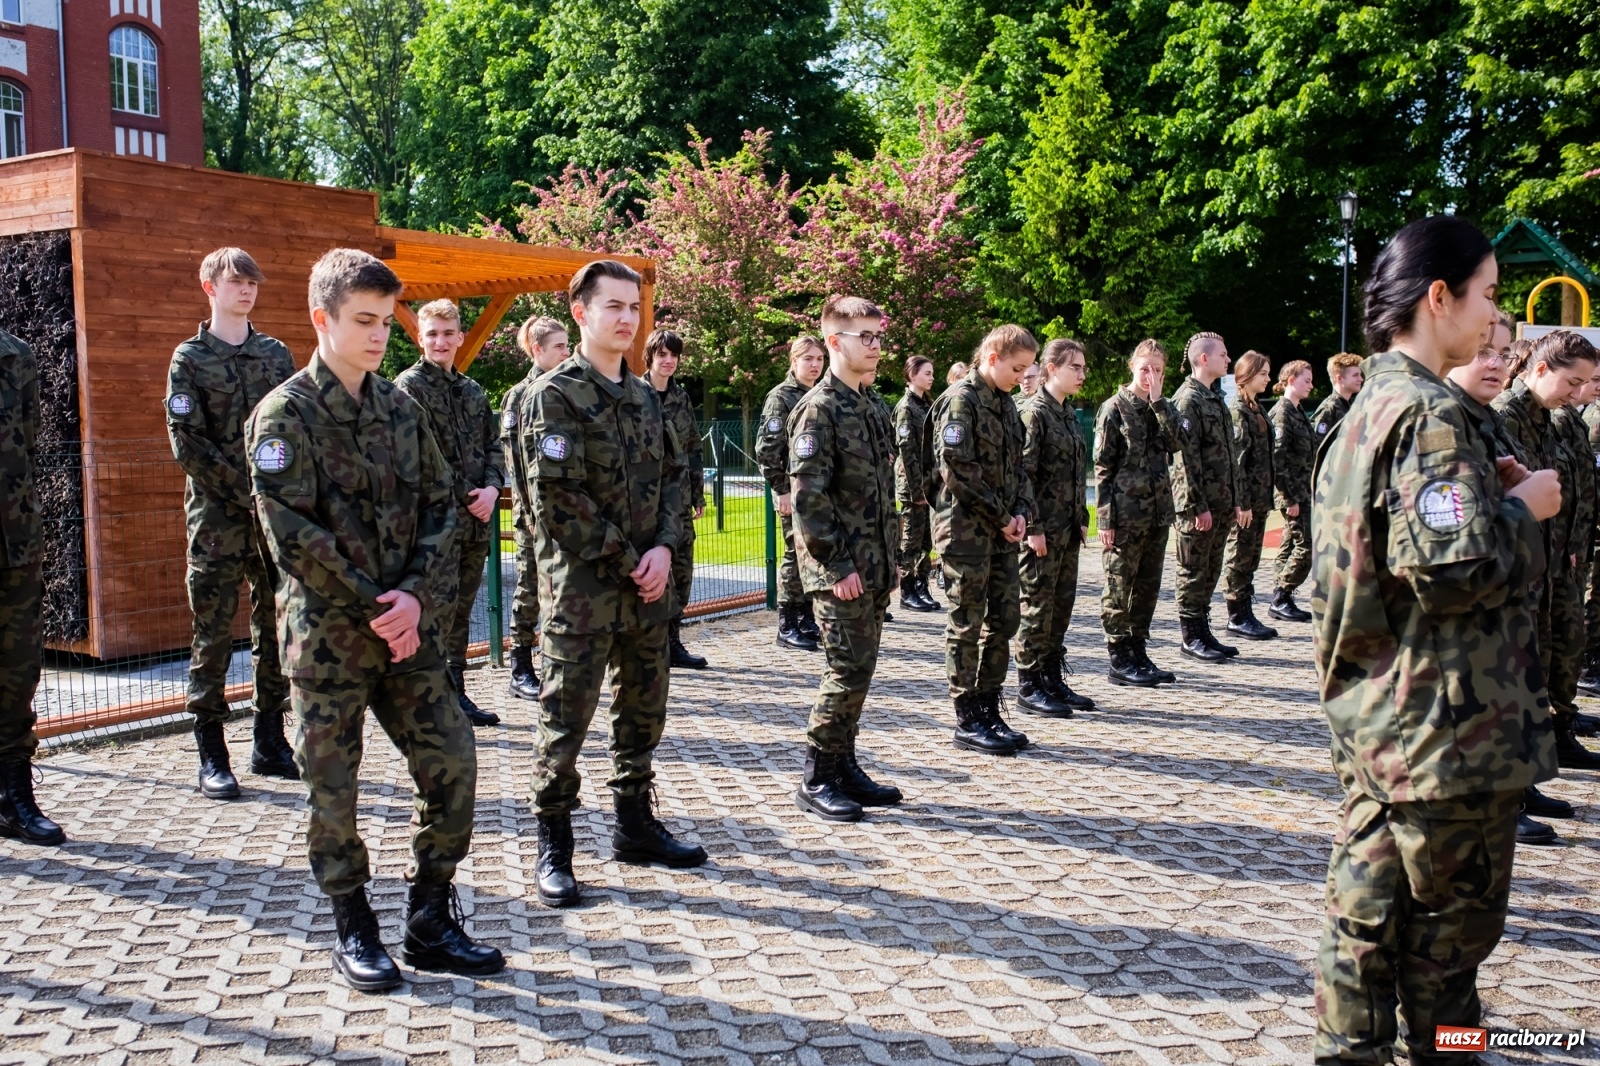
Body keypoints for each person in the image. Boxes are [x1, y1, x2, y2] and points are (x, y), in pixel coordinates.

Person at [1310, 215, 1559, 1065]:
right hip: (1445, 736)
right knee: (1446, 959)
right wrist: (1527, 512)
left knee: (1369, 923)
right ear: (1439, 297)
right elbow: (1455, 574)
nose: (1496, 321)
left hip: (1390, 721)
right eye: (1487, 297)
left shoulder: (1372, 407)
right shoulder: (1428, 417)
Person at [248, 248, 501, 991]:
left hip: (408, 632)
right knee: (334, 788)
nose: (377, 336)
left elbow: (440, 503)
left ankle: (428, 917)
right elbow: (292, 536)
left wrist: (415, 596)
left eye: (385, 323)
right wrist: (377, 602)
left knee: (454, 766)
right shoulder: (284, 415)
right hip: (329, 641)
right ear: (320, 318)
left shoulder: (401, 408)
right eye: (362, 321)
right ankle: (354, 925)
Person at [519, 259, 705, 910]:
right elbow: (556, 499)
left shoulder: (647, 399)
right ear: (581, 313)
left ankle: (634, 825)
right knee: (565, 719)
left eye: (634, 307)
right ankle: (555, 845)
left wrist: (663, 549)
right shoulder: (555, 396)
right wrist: (633, 557)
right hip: (584, 590)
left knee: (642, 712)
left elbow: (676, 485)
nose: (627, 319)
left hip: (648, 589)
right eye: (613, 307)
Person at [165, 247, 297, 799]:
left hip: (271, 517)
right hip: (218, 516)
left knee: (275, 627)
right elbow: (186, 442)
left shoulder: (275, 354)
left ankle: (270, 738)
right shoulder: (189, 359)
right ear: (209, 286)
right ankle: (210, 749)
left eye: (251, 281)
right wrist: (245, 491)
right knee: (213, 631)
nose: (245, 289)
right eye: (235, 281)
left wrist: (279, 494)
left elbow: (295, 428)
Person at [1445, 345, 1569, 847]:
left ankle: (1516, 786)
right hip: (1474, 606)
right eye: (1482, 350)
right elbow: (1454, 550)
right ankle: (1502, 797)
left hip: (1518, 576)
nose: (1496, 361)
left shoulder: (1478, 420)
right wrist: (1518, 508)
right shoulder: (1441, 423)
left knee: (1522, 676)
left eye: (1501, 351)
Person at [788, 296, 904, 822]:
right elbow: (810, 500)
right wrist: (837, 567)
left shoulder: (873, 404)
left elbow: (883, 490)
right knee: (845, 669)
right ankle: (816, 775)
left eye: (878, 336)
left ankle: (844, 765)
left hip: (872, 563)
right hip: (839, 569)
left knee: (863, 670)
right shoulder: (819, 409)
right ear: (834, 341)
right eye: (865, 337)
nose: (875, 346)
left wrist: (891, 559)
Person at [394, 300, 505, 729]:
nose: (441, 341)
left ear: (460, 337)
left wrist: (493, 488)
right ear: (420, 339)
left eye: (448, 333)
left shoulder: (473, 391)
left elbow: (494, 446)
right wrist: (467, 493)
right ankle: (424, 699)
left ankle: (455, 691)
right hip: (435, 524)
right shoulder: (408, 388)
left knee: (462, 609)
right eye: (432, 334)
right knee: (432, 610)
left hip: (476, 520)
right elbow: (422, 456)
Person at [1493, 330, 1600, 774]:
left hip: (1552, 556)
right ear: (1540, 368)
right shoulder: (1506, 416)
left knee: (1555, 652)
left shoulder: (1544, 415)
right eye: (1572, 383)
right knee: (1522, 666)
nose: (1579, 394)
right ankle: (1517, 779)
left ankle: (1547, 747)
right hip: (1522, 562)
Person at [931, 325, 1038, 755]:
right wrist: (1001, 515)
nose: (1022, 376)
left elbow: (1020, 467)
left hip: (1002, 532)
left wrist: (1023, 513)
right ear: (992, 357)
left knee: (1006, 620)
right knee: (967, 623)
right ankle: (967, 713)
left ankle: (990, 706)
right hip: (966, 534)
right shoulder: (962, 400)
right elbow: (957, 469)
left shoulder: (1007, 404)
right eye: (1017, 368)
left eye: (1027, 368)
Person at [0, 327, 65, 846]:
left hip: (14, 541)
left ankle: (13, 796)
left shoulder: (15, 354)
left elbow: (28, 437)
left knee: (18, 673)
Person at [1094, 339, 1184, 687]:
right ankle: (1118, 656)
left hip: (1159, 513)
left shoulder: (1162, 407)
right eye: (1145, 368)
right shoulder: (1114, 407)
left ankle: (1138, 648)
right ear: (1132, 366)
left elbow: (1177, 442)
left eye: (1158, 370)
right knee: (1120, 585)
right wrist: (1105, 517)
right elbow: (1102, 466)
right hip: (1126, 513)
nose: (1151, 375)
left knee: (1148, 586)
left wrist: (1160, 401)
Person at [1014, 339, 1094, 717]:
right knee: (1036, 605)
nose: (1081, 373)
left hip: (1066, 529)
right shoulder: (1035, 413)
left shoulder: (1066, 414)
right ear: (1051, 369)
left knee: (1060, 606)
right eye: (1074, 367)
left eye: (1082, 367)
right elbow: (1023, 475)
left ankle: (1050, 676)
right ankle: (1029, 683)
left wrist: (1080, 518)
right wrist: (1033, 525)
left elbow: (1075, 475)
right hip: (1042, 529)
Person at [501, 316, 570, 701]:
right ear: (538, 350)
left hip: (564, 516)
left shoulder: (565, 390)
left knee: (559, 591)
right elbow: (515, 461)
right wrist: (530, 517)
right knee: (529, 588)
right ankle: (520, 666)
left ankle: (554, 662)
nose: (567, 351)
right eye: (559, 346)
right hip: (533, 517)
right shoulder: (520, 395)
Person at [1171, 332, 1246, 663]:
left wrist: (1234, 500)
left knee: (1211, 569)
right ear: (1204, 359)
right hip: (1198, 508)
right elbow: (1185, 462)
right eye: (1223, 355)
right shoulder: (1188, 400)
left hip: (1219, 505)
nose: (1228, 360)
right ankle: (1190, 635)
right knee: (1193, 570)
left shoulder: (1214, 398)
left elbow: (1228, 456)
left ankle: (1203, 630)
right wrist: (1196, 505)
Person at [757, 336, 827, 651]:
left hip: (818, 491)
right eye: (808, 359)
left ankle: (806, 618)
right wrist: (781, 489)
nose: (815, 365)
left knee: (812, 555)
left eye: (819, 359)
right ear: (794, 360)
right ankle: (786, 624)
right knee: (792, 555)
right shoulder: (781, 398)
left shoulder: (820, 393)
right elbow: (768, 450)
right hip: (792, 492)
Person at [644, 329, 709, 670]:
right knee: (654, 576)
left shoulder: (681, 398)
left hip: (680, 500)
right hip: (647, 503)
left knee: (682, 572)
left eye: (674, 356)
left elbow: (693, 447)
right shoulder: (636, 395)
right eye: (662, 355)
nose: (668, 361)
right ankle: (650, 645)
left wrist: (697, 493)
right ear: (651, 357)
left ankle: (673, 641)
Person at [1222, 351, 1278, 642]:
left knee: (1251, 556)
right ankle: (1236, 614)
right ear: (1247, 375)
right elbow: (1238, 462)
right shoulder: (1239, 411)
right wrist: (1241, 503)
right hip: (1247, 501)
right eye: (1263, 374)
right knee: (1239, 555)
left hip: (1259, 499)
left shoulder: (1256, 408)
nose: (1268, 379)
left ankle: (1245, 611)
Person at [1267, 361, 1316, 623]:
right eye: (1306, 380)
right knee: (1306, 546)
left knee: (1289, 544)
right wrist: (1289, 497)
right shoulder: (1283, 413)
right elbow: (1278, 458)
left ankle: (1281, 597)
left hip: (1302, 491)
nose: (1310, 385)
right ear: (1290, 380)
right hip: (1294, 493)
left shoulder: (1297, 411)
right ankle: (1282, 594)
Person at [893, 356, 939, 612]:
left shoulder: (927, 405)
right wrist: (916, 488)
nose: (931, 377)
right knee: (911, 539)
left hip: (928, 481)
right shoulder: (906, 408)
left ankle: (921, 584)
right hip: (913, 483)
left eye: (932, 373)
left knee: (925, 538)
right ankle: (908, 589)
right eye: (926, 373)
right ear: (912, 375)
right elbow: (907, 450)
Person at [1311, 353, 1364, 441]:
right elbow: (1318, 446)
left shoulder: (1352, 405)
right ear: (1339, 378)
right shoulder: (1329, 408)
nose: (1360, 379)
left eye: (1360, 374)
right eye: (1355, 375)